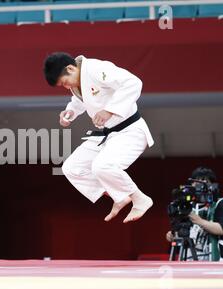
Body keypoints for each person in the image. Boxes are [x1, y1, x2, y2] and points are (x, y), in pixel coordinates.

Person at [43, 52, 154, 223]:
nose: (66, 87)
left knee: (101, 166)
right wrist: (70, 112)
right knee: (72, 168)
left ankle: (140, 198)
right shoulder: (78, 80)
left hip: (130, 131)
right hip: (108, 135)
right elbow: (81, 100)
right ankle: (120, 197)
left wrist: (109, 110)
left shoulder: (97, 69)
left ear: (71, 68)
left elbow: (133, 83)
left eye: (65, 83)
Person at [166, 167, 223, 261]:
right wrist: (173, 235)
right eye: (196, 181)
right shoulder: (186, 206)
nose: (199, 185)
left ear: (211, 184)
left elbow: (222, 229)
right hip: (190, 258)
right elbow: (182, 229)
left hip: (216, 260)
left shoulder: (219, 203)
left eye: (204, 181)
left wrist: (199, 221)